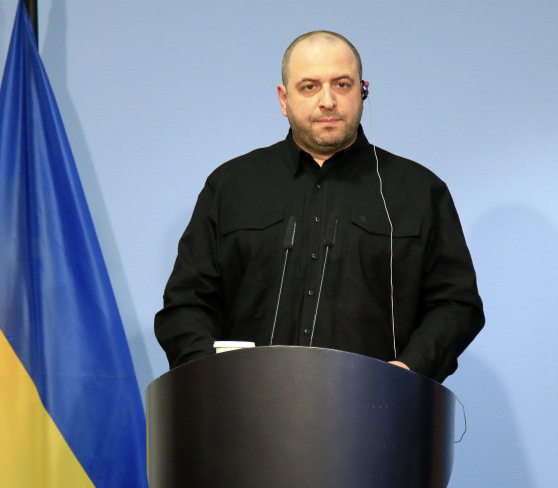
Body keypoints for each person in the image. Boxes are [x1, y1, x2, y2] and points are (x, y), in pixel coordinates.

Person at [154, 30, 484, 382]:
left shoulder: (419, 191)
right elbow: (187, 304)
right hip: (243, 405)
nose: (328, 101)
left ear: (363, 91)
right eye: (309, 87)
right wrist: (210, 375)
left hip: (375, 405)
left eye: (342, 84)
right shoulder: (231, 186)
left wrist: (407, 373)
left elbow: (455, 305)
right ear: (284, 99)